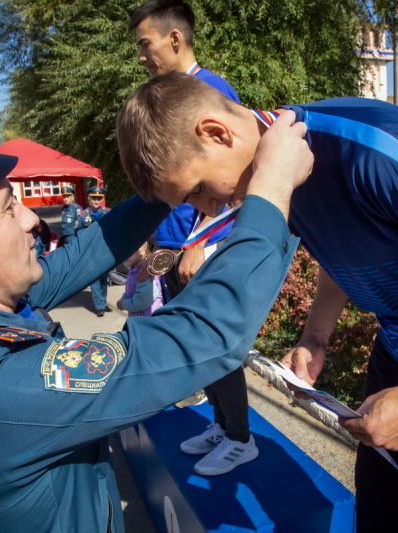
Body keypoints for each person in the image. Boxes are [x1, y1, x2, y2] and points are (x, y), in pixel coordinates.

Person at [0, 77, 311, 532]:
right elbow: (198, 338)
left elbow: (84, 253)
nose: (30, 221)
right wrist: (270, 192)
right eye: (7, 209)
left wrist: (174, 182)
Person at [116, 73, 398, 532]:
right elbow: (340, 244)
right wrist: (316, 334)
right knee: (379, 511)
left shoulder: (373, 152)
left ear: (217, 133)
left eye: (198, 189)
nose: (211, 208)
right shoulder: (280, 170)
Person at [130, 0, 258, 476]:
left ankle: (241, 438)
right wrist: (154, 243)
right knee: (199, 347)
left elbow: (239, 182)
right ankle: (224, 426)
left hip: (198, 249)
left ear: (175, 39)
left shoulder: (211, 92)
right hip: (175, 247)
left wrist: (201, 242)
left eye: (146, 44)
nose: (141, 56)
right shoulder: (171, 97)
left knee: (216, 343)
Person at [78, 185, 112, 317]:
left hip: (105, 251)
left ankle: (102, 303)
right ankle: (99, 306)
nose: (96, 201)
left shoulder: (108, 213)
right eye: (94, 198)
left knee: (104, 278)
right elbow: (77, 234)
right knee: (94, 279)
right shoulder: (82, 216)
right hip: (91, 252)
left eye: (99, 198)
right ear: (89, 198)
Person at [116, 240, 164, 317]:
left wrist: (124, 304)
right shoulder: (133, 270)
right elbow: (131, 291)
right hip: (139, 319)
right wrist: (123, 298)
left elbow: (143, 301)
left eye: (127, 251)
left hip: (148, 320)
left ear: (141, 252)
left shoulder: (143, 273)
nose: (123, 255)